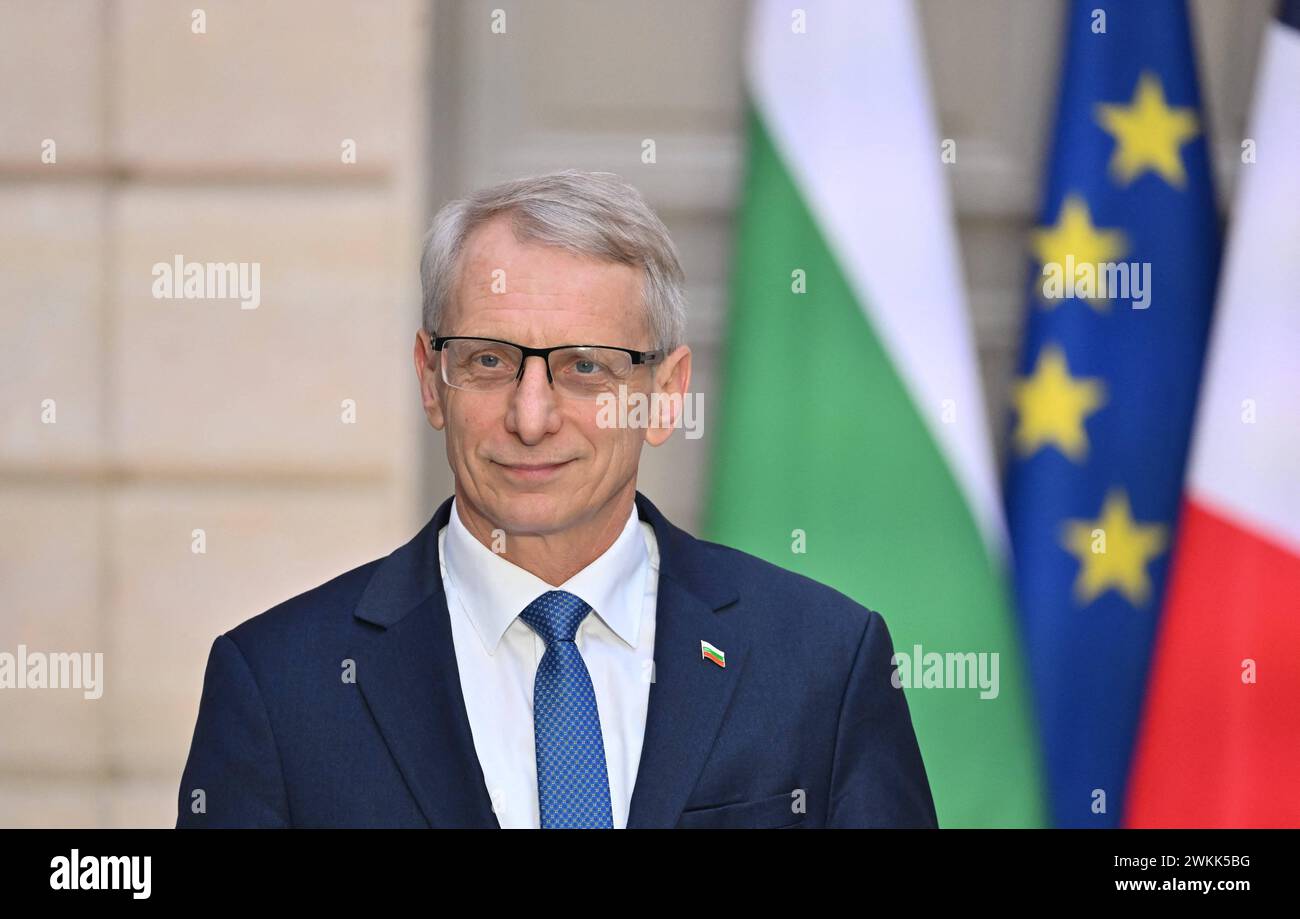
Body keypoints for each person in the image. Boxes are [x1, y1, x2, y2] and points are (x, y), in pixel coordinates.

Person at [176, 169, 938, 828]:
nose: (530, 417)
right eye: (488, 360)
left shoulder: (821, 663)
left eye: (584, 368)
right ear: (429, 379)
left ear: (664, 395)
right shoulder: (279, 686)